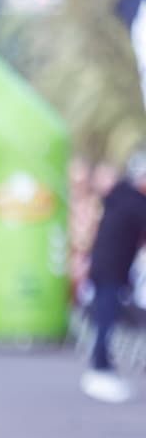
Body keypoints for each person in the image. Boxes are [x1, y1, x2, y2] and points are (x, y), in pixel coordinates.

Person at [79, 152, 146, 403]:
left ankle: (102, 365)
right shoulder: (134, 202)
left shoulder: (119, 198)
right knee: (105, 321)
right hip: (111, 270)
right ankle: (100, 367)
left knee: (106, 319)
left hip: (105, 268)